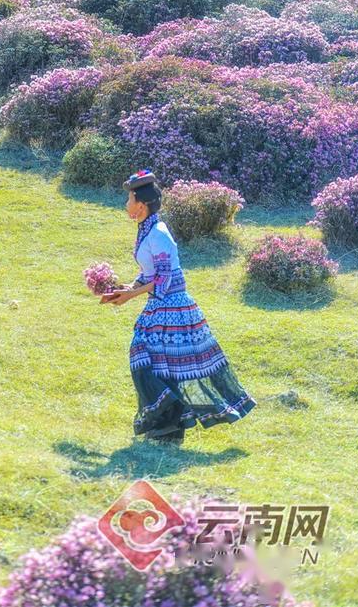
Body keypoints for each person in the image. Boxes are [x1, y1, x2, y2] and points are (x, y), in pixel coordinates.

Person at [101, 169, 256, 445]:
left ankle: (168, 422)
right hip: (160, 304)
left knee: (148, 358)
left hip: (172, 306)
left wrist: (132, 295)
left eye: (128, 200)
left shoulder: (157, 233)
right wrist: (125, 289)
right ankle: (166, 426)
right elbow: (151, 273)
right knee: (158, 364)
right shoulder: (147, 229)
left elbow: (163, 277)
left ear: (141, 204)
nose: (125, 205)